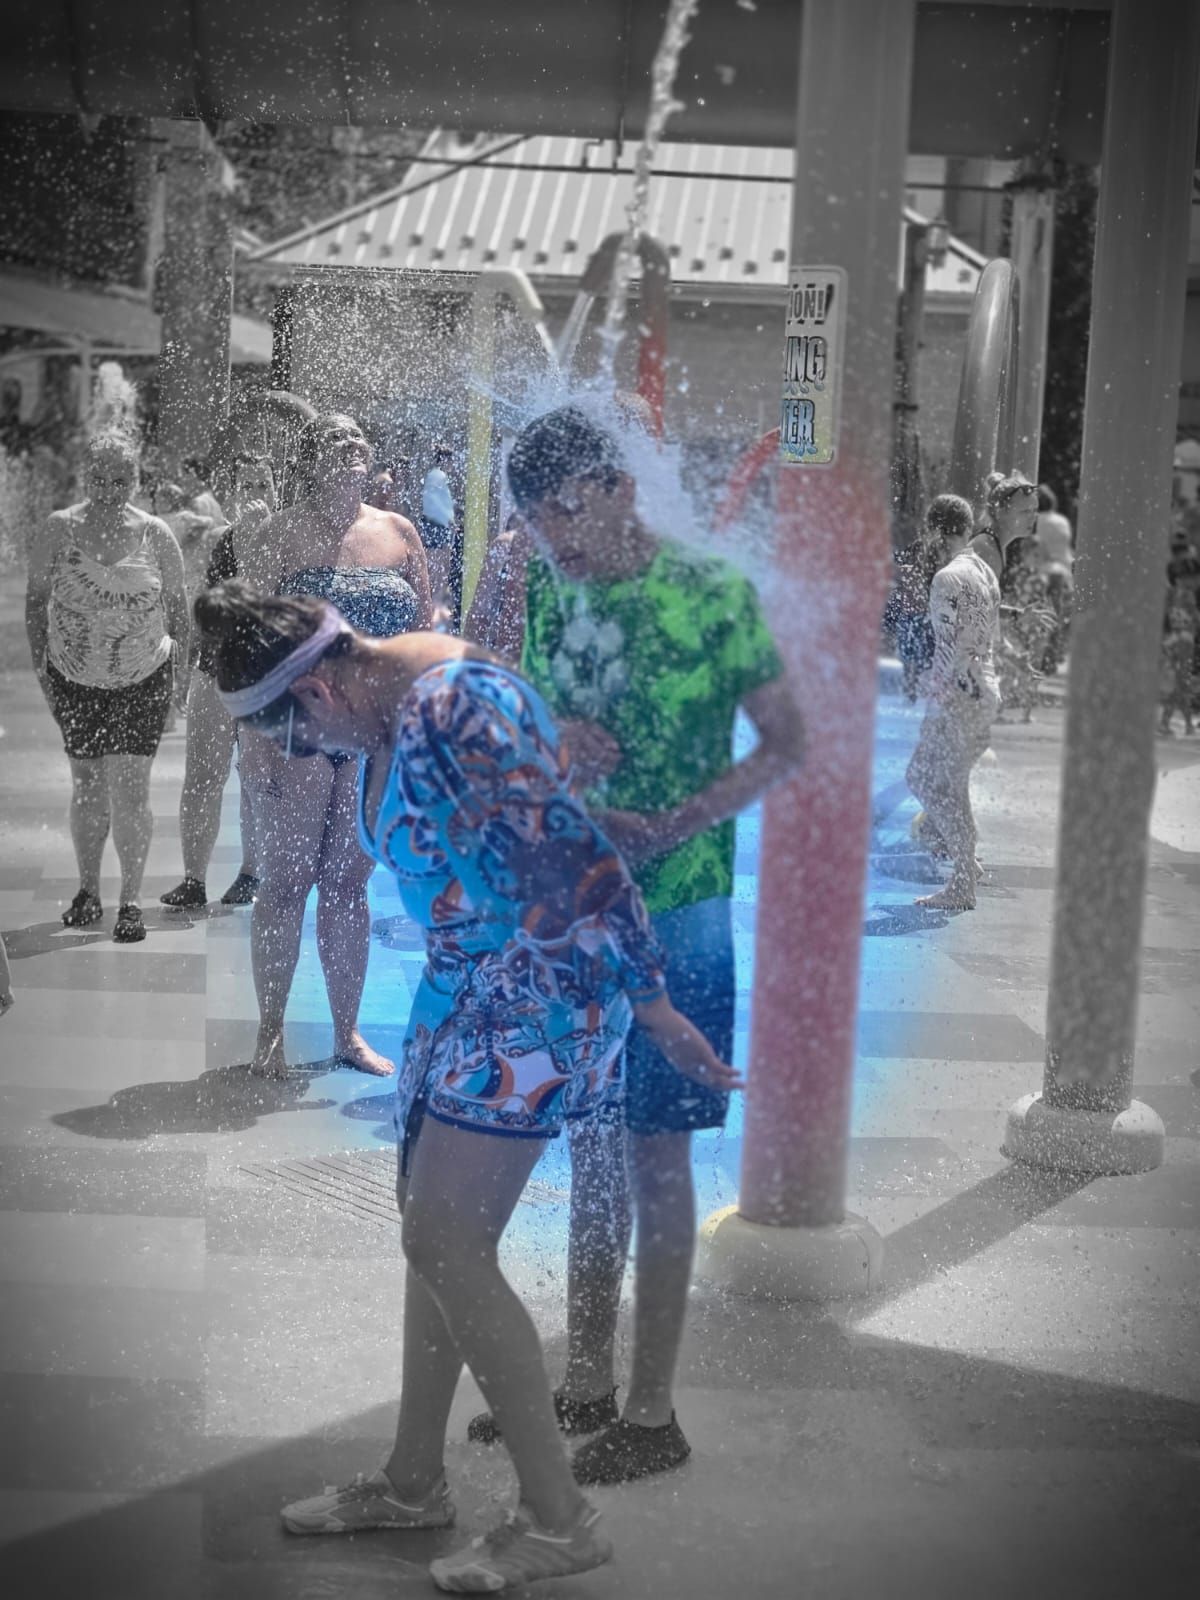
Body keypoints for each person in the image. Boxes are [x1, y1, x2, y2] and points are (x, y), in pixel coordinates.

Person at [195, 579, 739, 1592]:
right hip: (463, 983)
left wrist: (656, 1006)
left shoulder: (453, 709)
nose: (300, 758)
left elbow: (577, 858)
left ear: (314, 695)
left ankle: (558, 1516)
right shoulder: (380, 700)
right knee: (428, 1227)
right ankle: (411, 1480)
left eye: (290, 738)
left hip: (544, 986)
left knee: (445, 1236)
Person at [465, 406, 805, 1486]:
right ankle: (584, 1382)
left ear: (615, 484)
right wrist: (551, 747)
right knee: (591, 1148)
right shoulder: (557, 593)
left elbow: (788, 742)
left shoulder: (711, 594)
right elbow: (527, 726)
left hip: (685, 913)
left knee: (659, 1158)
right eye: (532, 518)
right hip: (576, 911)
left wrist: (678, 821)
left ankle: (652, 1413)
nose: (549, 538)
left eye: (561, 509)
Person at [235, 413, 432, 1078]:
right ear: (310, 459)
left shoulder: (399, 532)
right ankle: (269, 1036)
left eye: (355, 437)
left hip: (374, 737)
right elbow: (249, 640)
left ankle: (347, 1034)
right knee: (287, 885)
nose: (347, 446)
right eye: (331, 440)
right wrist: (255, 741)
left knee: (349, 885)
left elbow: (421, 637)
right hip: (301, 730)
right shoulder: (281, 532)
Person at [24, 432, 189, 942]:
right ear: (84, 476)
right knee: (88, 784)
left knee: (131, 788)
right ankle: (88, 890)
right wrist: (42, 670)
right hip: (74, 677)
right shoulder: (58, 529)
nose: (110, 489)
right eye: (99, 478)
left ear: (136, 479)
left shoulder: (157, 534)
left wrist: (179, 683)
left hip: (144, 676)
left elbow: (181, 615)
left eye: (121, 479)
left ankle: (131, 902)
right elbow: (34, 603)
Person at [907, 469, 1038, 911]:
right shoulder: (983, 570)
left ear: (935, 533)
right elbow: (991, 640)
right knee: (952, 785)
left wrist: (935, 690)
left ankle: (963, 876)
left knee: (922, 779)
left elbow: (951, 649)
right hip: (985, 693)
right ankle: (967, 869)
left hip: (958, 693)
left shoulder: (947, 579)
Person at [160, 454, 277, 909]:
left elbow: (266, 601)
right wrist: (181, 669)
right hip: (214, 669)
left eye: (262, 485)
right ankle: (194, 880)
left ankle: (252, 871)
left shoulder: (285, 538)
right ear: (230, 495)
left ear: (275, 490)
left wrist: (257, 537)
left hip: (264, 677)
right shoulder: (215, 540)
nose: (255, 496)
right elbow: (197, 606)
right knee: (202, 776)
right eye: (246, 486)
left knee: (254, 777)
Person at [886, 494, 975, 701]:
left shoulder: (916, 548)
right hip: (937, 628)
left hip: (911, 624)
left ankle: (909, 703)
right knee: (941, 689)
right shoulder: (955, 555)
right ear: (966, 528)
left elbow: (902, 585)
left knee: (912, 685)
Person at [1032, 483, 1074, 671]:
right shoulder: (1062, 521)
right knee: (1058, 617)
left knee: (1042, 617)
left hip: (1044, 574)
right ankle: (1052, 657)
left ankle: (1039, 658)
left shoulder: (1035, 521)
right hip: (1064, 573)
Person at [420, 443, 460, 618]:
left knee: (436, 565)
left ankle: (434, 603)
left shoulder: (434, 475)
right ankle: (435, 605)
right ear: (444, 459)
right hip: (436, 524)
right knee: (439, 567)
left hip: (433, 524)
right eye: (450, 460)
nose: (452, 464)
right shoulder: (439, 475)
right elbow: (434, 502)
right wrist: (450, 520)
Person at [1159, 580, 1197, 736]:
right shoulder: (1186, 598)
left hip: (1173, 643)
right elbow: (1194, 619)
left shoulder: (1170, 599)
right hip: (1184, 645)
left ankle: (1187, 725)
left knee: (1181, 686)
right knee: (1181, 686)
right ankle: (1166, 723)